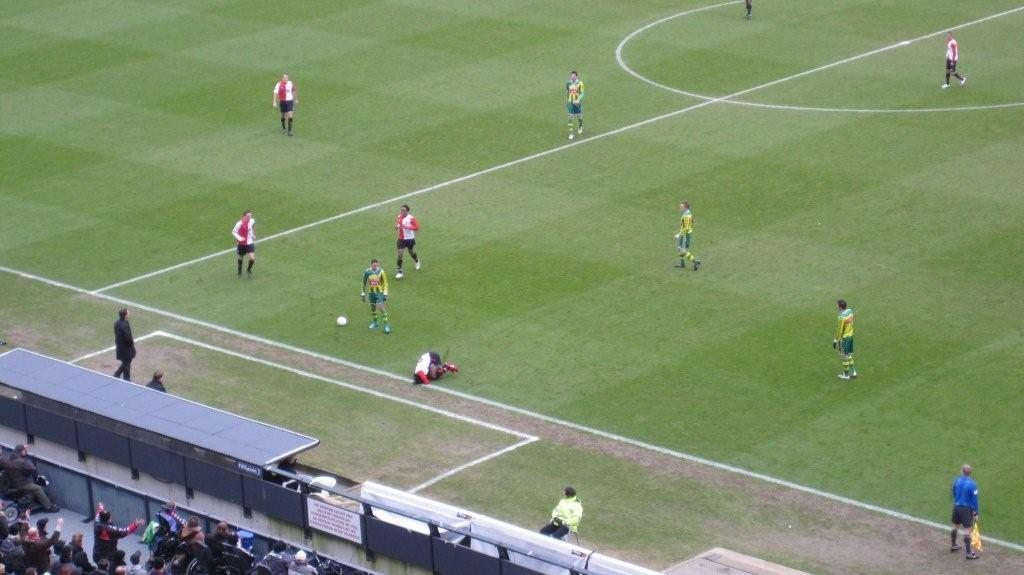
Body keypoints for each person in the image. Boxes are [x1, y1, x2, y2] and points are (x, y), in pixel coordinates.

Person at [2, 445, 58, 512]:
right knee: (38, 488)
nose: (26, 451)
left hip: (13, 483)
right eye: (25, 450)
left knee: (32, 487)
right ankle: (48, 507)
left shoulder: (8, 460)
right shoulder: (21, 461)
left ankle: (33, 500)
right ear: (21, 452)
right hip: (21, 484)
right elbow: (32, 469)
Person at [950, 464, 980, 560]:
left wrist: (957, 499)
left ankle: (954, 545)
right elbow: (975, 500)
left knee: (955, 526)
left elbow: (953, 492)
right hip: (966, 510)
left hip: (956, 507)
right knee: (967, 530)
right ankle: (968, 553)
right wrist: (975, 513)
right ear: (970, 473)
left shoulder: (956, 481)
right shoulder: (973, 484)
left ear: (962, 471)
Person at [361, 259, 391, 334]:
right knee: (373, 308)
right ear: (371, 265)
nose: (376, 267)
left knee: (381, 307)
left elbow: (385, 283)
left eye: (377, 265)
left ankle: (386, 326)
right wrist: (363, 293)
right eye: (374, 265)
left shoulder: (381, 271)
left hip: (380, 293)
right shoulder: (367, 272)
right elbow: (363, 283)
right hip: (371, 293)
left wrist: (385, 293)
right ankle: (375, 323)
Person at [832, 299, 857, 380]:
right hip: (850, 336)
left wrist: (835, 340)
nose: (836, 307)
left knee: (844, 356)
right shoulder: (850, 311)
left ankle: (846, 375)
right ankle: (853, 372)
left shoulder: (841, 317)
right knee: (849, 354)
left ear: (840, 307)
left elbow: (839, 330)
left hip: (844, 339)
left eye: (837, 305)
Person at [394, 205, 421, 280]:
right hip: (401, 239)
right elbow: (399, 223)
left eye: (403, 210)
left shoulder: (411, 218)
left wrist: (407, 227)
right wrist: (397, 226)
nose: (402, 211)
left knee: (411, 252)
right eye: (401, 210)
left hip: (410, 239)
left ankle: (416, 260)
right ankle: (399, 272)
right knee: (400, 254)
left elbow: (416, 228)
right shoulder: (399, 216)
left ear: (407, 211)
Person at [673, 201, 701, 271]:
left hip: (685, 235)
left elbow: (686, 228)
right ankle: (682, 264)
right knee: (680, 249)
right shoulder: (687, 213)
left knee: (683, 251)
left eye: (682, 206)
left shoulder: (686, 216)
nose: (680, 207)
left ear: (686, 207)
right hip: (685, 234)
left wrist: (678, 235)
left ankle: (695, 261)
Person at [113, 308, 136, 381]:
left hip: (120, 347)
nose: (129, 314)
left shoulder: (117, 322)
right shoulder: (125, 324)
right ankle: (127, 379)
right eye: (128, 313)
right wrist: (131, 346)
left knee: (126, 362)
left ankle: (117, 374)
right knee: (127, 364)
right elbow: (128, 338)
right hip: (126, 349)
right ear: (125, 315)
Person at [232, 210, 256, 278]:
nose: (249, 217)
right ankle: (239, 270)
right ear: (244, 216)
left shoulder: (252, 221)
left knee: (252, 258)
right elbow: (234, 232)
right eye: (248, 216)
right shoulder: (239, 223)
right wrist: (239, 238)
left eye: (250, 216)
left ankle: (248, 270)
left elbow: (253, 226)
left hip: (250, 242)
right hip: (242, 243)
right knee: (240, 257)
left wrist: (253, 234)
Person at [566, 71, 585, 140]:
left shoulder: (580, 83)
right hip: (570, 102)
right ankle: (571, 133)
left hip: (577, 103)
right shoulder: (568, 83)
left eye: (573, 76)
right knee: (570, 117)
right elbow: (568, 92)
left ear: (576, 76)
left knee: (579, 116)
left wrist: (578, 100)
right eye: (571, 76)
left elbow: (582, 93)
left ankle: (580, 126)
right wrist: (567, 101)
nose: (572, 77)